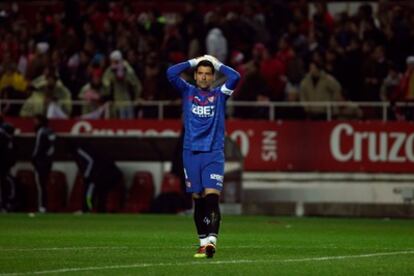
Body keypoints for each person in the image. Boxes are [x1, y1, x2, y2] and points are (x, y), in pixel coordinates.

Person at [166, 55, 240, 258]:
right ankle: (202, 243)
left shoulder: (220, 95)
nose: (204, 77)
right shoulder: (187, 91)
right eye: (201, 73)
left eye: (208, 74)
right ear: (196, 76)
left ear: (212, 77)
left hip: (213, 153)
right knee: (198, 200)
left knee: (211, 198)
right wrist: (194, 61)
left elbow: (235, 77)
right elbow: (170, 73)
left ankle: (212, 241)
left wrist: (217, 63)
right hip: (190, 153)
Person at [70, 143, 123, 212]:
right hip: (108, 175)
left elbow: (90, 161)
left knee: (90, 191)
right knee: (101, 192)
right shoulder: (93, 152)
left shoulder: (80, 151)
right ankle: (100, 211)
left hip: (105, 175)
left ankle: (86, 210)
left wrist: (86, 176)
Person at [32, 114, 56, 213]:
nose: (34, 123)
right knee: (44, 185)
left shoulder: (41, 132)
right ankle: (44, 206)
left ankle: (41, 206)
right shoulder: (51, 132)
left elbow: (37, 147)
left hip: (41, 162)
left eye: (35, 121)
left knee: (40, 185)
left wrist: (33, 159)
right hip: (49, 162)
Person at [0, 117, 17, 211]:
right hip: (6, 164)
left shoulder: (4, 137)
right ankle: (5, 204)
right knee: (5, 184)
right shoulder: (9, 138)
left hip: (4, 164)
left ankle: (5, 204)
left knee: (4, 184)